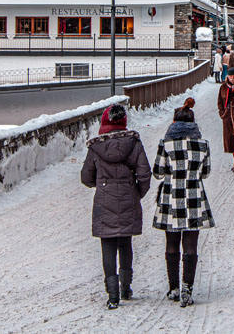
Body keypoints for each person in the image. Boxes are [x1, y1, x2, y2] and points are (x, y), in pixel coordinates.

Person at [81, 104, 152, 309]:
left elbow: (86, 177)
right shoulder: (134, 143)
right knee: (125, 242)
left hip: (105, 200)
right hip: (129, 196)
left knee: (108, 245)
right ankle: (126, 287)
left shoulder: (95, 147)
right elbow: (145, 175)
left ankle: (112, 294)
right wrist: (135, 193)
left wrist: (102, 186)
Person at [153, 99, 215, 308]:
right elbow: (205, 173)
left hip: (171, 198)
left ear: (174, 123)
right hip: (194, 198)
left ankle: (173, 287)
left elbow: (158, 172)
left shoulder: (166, 144)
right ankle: (187, 288)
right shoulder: (202, 145)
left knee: (171, 244)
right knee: (190, 245)